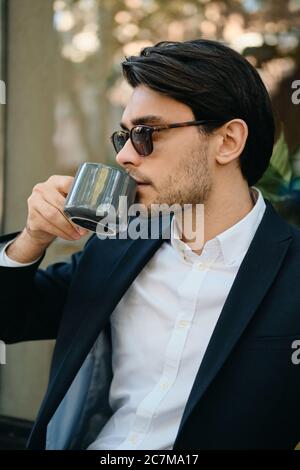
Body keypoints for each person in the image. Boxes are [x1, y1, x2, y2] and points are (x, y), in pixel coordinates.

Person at [0, 39, 299, 450]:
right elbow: (10, 318)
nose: (125, 155)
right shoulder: (117, 245)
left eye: (145, 133)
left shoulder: (293, 272)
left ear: (228, 141)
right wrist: (32, 239)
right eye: (122, 136)